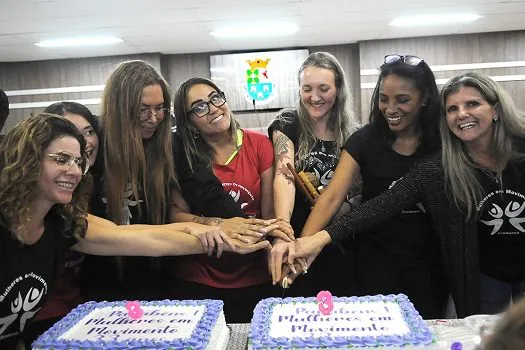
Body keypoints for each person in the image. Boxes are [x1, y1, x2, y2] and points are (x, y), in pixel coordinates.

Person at [0, 114, 270, 348]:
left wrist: (214, 232)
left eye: (78, 161)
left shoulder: (62, 223)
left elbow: (133, 236)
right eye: (61, 159)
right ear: (28, 160)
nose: (74, 171)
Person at [279, 72, 525, 318]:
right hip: (486, 275)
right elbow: (383, 205)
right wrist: (317, 239)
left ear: (496, 110)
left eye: (472, 104)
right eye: (452, 108)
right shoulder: (441, 166)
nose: (461, 114)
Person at [273, 54, 447, 318]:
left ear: (424, 99)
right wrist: (299, 245)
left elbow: (378, 201)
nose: (390, 109)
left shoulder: (444, 143)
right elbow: (329, 197)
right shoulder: (364, 139)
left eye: (403, 100)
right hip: (373, 258)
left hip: (427, 260)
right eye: (384, 99)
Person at [84, 60, 274, 302]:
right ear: (120, 106)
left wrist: (247, 228)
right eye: (143, 109)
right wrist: (209, 227)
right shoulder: (94, 144)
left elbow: (207, 191)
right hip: (102, 284)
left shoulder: (170, 145)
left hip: (157, 281)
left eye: (160, 109)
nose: (153, 119)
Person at [169, 77, 291, 323]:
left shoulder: (258, 145)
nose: (214, 108)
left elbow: (269, 213)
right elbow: (175, 215)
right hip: (199, 276)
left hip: (255, 272)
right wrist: (217, 224)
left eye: (216, 98)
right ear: (190, 122)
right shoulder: (183, 158)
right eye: (200, 107)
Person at [268, 51, 360, 297]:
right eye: (307, 89)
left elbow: (359, 194)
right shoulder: (287, 122)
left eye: (324, 89)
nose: (314, 97)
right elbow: (283, 172)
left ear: (339, 89)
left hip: (337, 244)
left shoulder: (355, 134)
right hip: (293, 241)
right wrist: (283, 231)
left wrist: (345, 208)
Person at [34, 102, 100, 330]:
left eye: (89, 131)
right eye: (62, 158)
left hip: (74, 312)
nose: (84, 142)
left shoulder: (83, 189)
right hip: (39, 319)